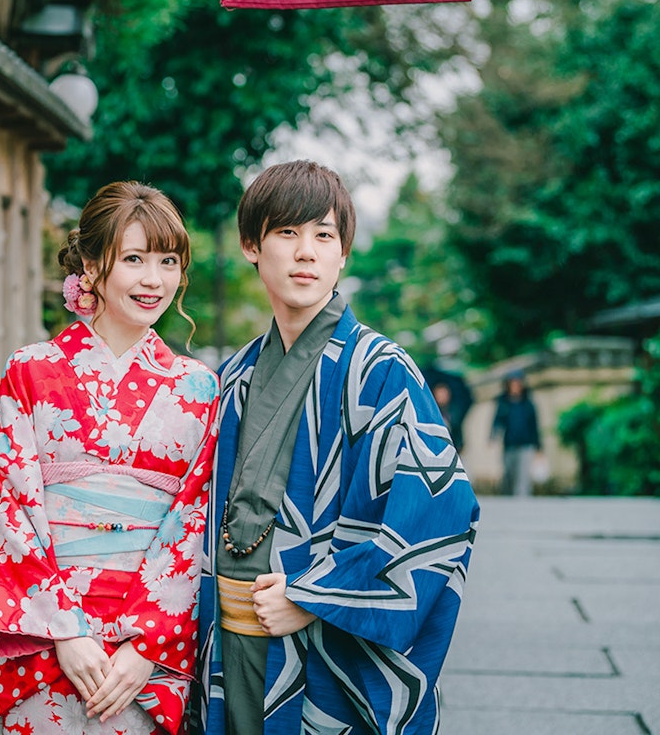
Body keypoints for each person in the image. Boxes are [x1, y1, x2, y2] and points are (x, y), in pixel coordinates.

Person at [193, 160, 479, 734]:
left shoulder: (382, 372)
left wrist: (313, 596)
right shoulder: (231, 378)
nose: (306, 252)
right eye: (287, 233)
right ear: (252, 245)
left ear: (342, 253)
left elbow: (442, 513)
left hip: (321, 644)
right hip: (227, 642)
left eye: (324, 235)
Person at [0, 181, 221, 734]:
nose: (153, 279)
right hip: (44, 639)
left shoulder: (200, 388)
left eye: (168, 261)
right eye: (133, 259)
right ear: (90, 262)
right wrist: (64, 631)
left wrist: (147, 645)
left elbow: (195, 520)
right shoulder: (31, 371)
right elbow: (2, 503)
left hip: (145, 653)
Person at [491, 369, 541, 496]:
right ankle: (508, 497)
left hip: (526, 444)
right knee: (509, 473)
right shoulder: (504, 403)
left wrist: (539, 447)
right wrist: (493, 435)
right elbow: (497, 420)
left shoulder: (528, 404)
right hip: (509, 444)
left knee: (523, 475)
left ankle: (523, 500)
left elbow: (534, 425)